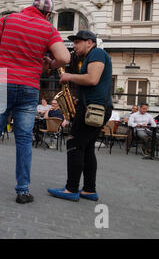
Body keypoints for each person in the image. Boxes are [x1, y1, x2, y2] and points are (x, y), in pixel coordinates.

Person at [0, 0, 70, 204]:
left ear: (30, 7)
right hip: (29, 85)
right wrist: (47, 65)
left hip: (2, 80)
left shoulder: (7, 20)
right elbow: (65, 58)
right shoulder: (48, 29)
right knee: (23, 139)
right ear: (48, 14)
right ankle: (23, 190)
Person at [48, 30, 113, 202]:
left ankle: (71, 189)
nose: (74, 46)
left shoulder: (97, 53)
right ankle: (89, 190)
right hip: (94, 106)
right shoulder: (90, 56)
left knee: (74, 143)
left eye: (77, 42)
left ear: (90, 42)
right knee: (87, 148)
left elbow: (92, 79)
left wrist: (69, 76)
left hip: (94, 108)